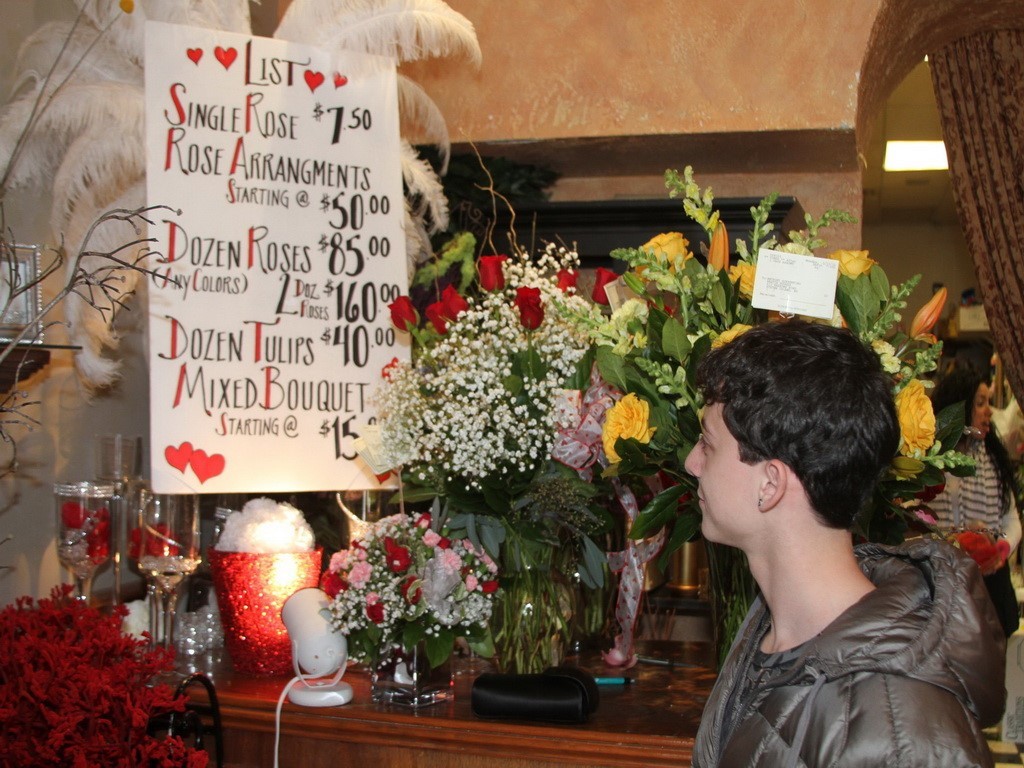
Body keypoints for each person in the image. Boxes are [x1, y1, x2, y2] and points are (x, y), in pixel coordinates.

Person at [687, 321, 1005, 768]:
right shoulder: (770, 631)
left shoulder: (902, 738)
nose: (691, 462)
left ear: (770, 484)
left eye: (707, 443)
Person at [930, 367, 1022, 638]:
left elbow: (1012, 520)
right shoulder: (930, 461)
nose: (989, 411)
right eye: (980, 403)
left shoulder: (993, 460)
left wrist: (1000, 549)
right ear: (959, 409)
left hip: (990, 586)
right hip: (943, 584)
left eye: (987, 402)